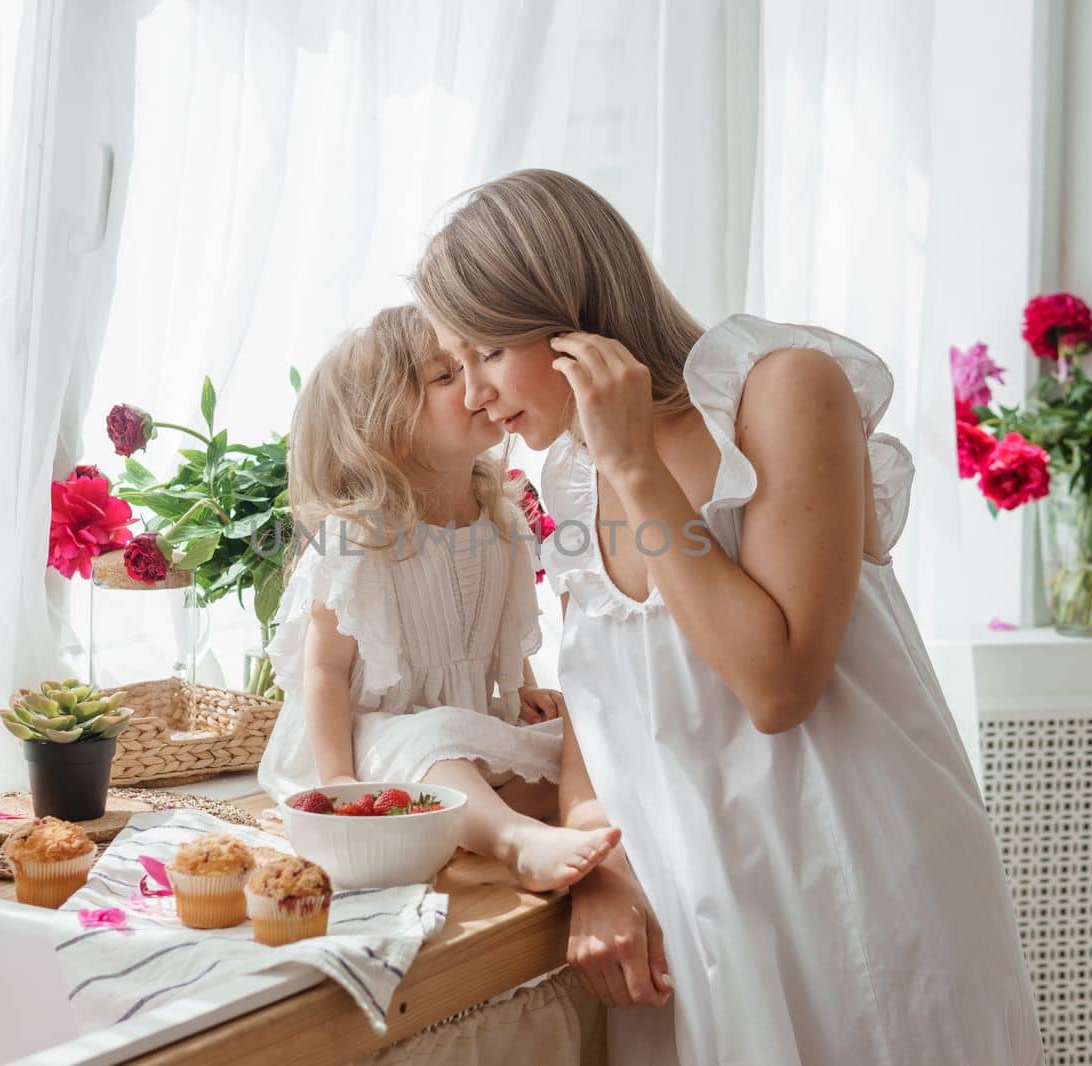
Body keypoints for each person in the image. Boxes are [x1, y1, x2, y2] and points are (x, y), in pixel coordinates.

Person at [412, 169, 1043, 1064]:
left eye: (483, 351)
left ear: (566, 317)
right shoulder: (568, 477)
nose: (473, 394)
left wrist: (636, 466)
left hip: (857, 898)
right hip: (705, 931)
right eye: (455, 364)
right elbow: (597, 731)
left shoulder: (778, 389)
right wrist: (600, 875)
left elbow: (777, 684)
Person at [257, 304, 621, 892]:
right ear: (386, 423)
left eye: (476, 365)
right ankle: (515, 843)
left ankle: (473, 819)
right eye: (446, 377)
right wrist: (341, 785)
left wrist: (525, 688)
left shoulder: (499, 520)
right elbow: (323, 671)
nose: (478, 387)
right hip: (368, 739)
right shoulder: (360, 536)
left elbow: (497, 627)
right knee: (431, 744)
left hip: (468, 728)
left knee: (574, 747)